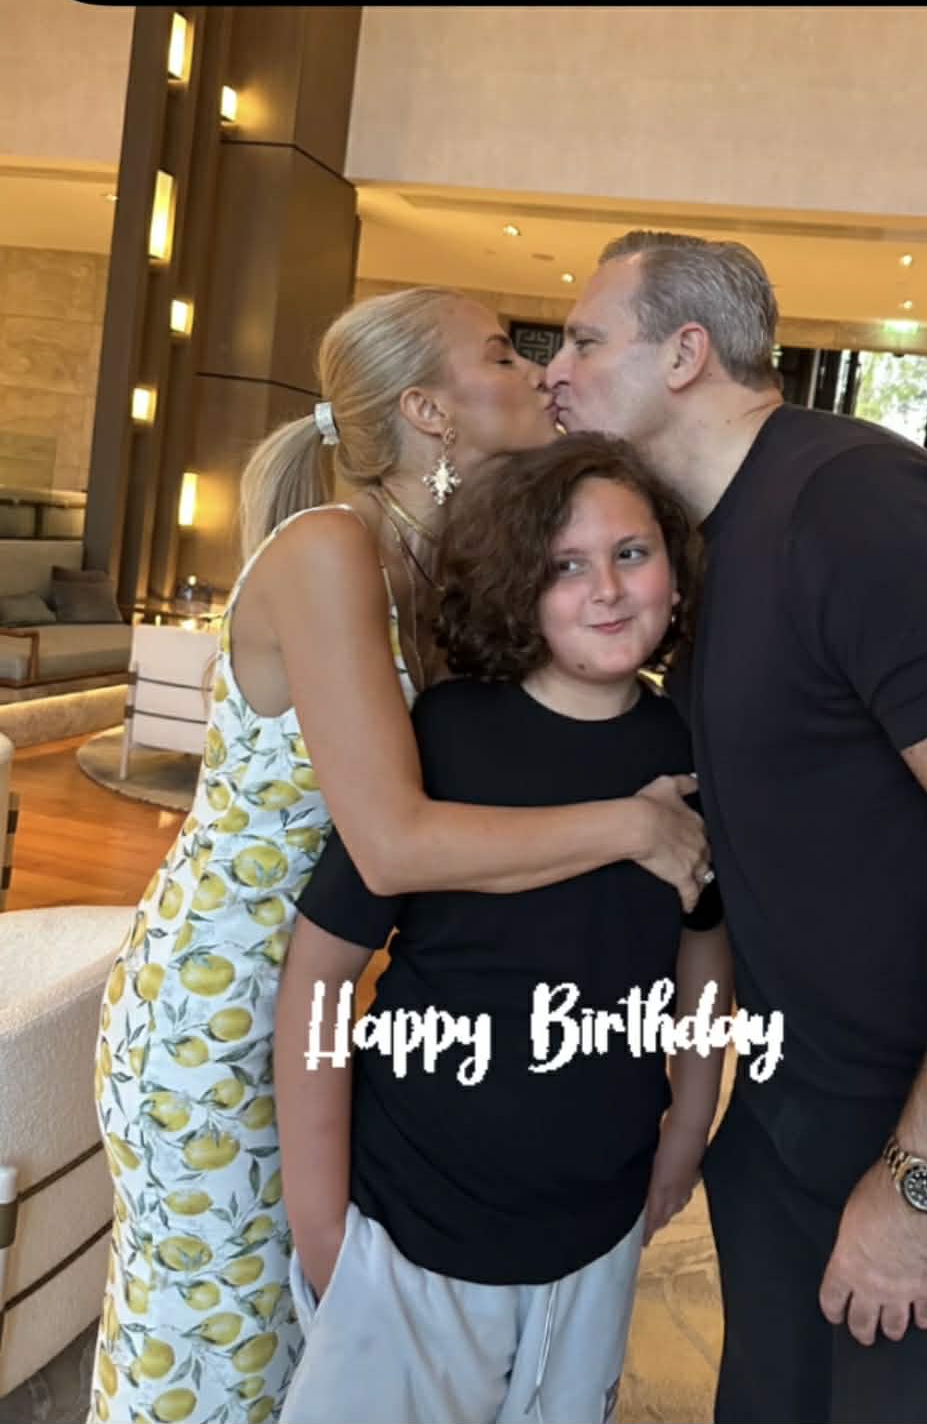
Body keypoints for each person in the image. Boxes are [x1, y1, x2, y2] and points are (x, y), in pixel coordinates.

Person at [87, 290, 709, 1424]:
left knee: (311, 1355)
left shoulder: (427, 572)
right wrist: (636, 825)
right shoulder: (331, 549)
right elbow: (393, 842)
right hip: (222, 999)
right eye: (502, 355)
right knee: (206, 1356)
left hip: (327, 993)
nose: (539, 373)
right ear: (428, 409)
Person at [546, 231, 927, 1424]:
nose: (555, 371)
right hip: (796, 1108)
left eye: (584, 341)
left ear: (686, 354)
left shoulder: (860, 506)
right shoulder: (708, 546)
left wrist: (923, 1180)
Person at [273, 433, 731, 1424]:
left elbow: (704, 947)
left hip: (596, 1219)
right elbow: (322, 970)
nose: (605, 589)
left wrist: (688, 1125)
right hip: (411, 1217)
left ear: (674, 567)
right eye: (566, 565)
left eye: (631, 553)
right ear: (519, 582)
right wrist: (317, 1219)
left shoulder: (691, 747)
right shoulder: (448, 735)